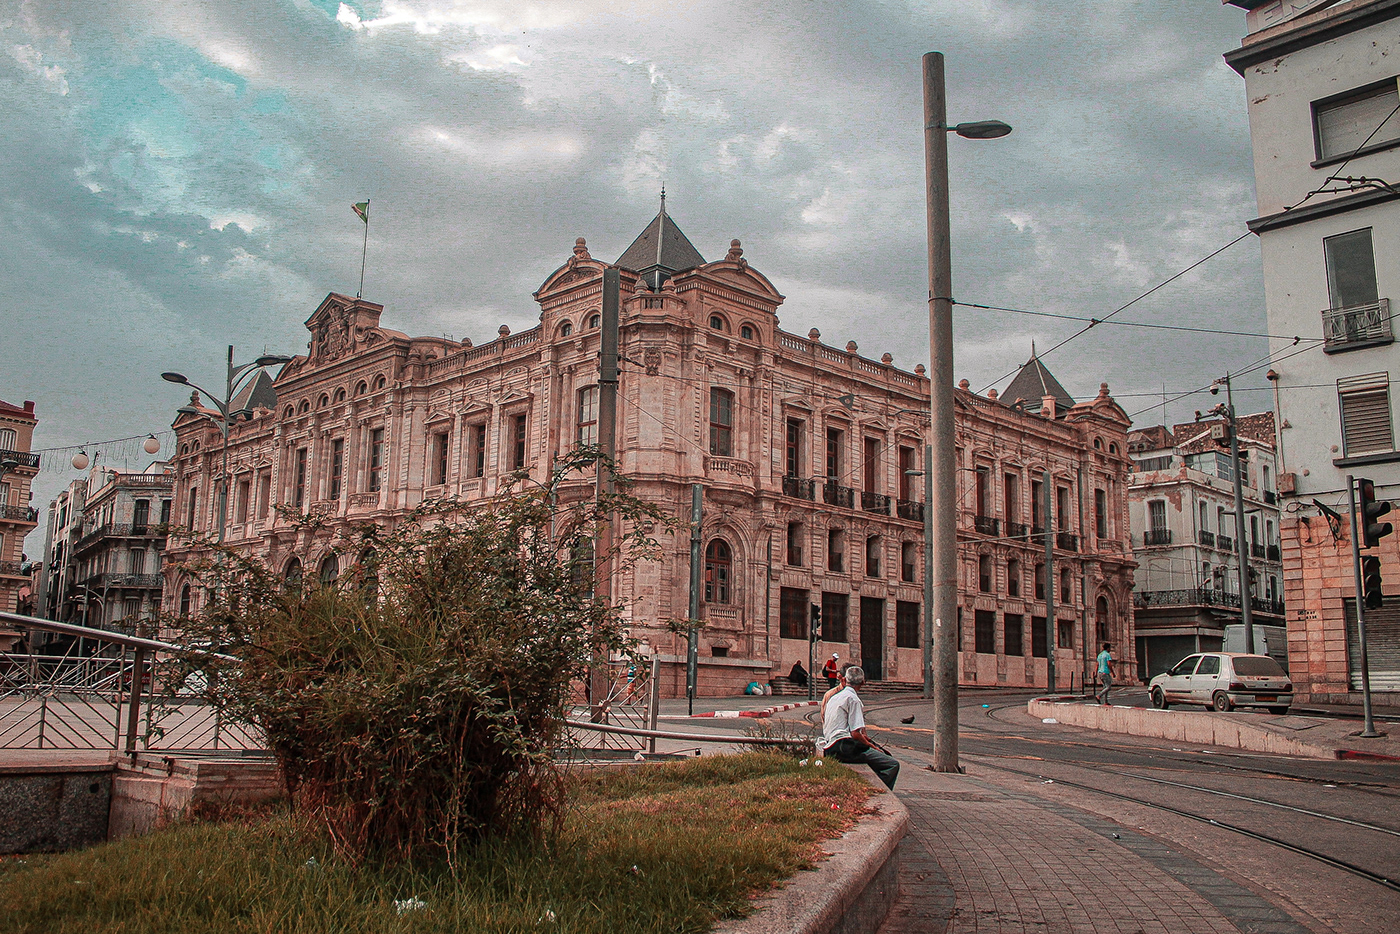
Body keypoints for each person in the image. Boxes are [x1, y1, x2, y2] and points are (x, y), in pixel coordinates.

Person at [821, 667, 899, 790]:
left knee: (878, 755)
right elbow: (855, 734)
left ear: (845, 679)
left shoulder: (834, 697)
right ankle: (877, 790)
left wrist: (868, 742)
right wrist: (872, 746)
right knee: (892, 764)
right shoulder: (853, 700)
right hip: (843, 747)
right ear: (863, 682)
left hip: (829, 746)